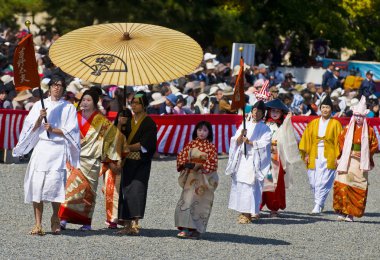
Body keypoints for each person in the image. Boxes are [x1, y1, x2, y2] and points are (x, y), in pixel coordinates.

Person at [12, 74, 80, 235]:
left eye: (60, 85)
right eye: (54, 85)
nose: (57, 87)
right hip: (42, 148)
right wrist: (39, 119)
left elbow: (72, 131)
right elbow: (30, 128)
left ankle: (55, 218)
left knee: (55, 185)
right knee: (37, 185)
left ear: (63, 88)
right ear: (49, 88)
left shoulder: (68, 107)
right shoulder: (39, 105)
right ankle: (37, 223)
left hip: (57, 149)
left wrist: (53, 129)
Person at [59, 89, 125, 231]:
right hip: (73, 158)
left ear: (95, 103)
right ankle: (63, 218)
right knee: (68, 189)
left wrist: (113, 157)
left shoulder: (101, 121)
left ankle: (86, 221)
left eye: (88, 100)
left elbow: (114, 137)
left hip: (91, 160)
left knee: (88, 192)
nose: (85, 103)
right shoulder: (73, 117)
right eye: (83, 100)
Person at [118, 91, 157, 235]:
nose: (133, 106)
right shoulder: (128, 121)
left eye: (136, 103)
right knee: (126, 191)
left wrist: (128, 147)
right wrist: (119, 124)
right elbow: (119, 137)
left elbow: (147, 143)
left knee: (137, 190)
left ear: (144, 105)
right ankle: (126, 224)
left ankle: (135, 223)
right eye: (132, 103)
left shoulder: (149, 123)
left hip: (140, 162)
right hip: (128, 162)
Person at [334, 96, 378, 222]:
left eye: (361, 116)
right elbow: (340, 140)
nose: (358, 118)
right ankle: (342, 211)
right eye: (357, 116)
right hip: (347, 160)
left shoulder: (369, 131)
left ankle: (351, 213)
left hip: (360, 162)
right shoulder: (347, 129)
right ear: (354, 116)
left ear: (364, 117)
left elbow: (374, 145)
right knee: (342, 184)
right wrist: (346, 152)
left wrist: (366, 153)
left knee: (356, 185)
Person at [226, 100, 272, 223]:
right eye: (255, 110)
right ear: (251, 111)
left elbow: (265, 143)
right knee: (241, 184)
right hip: (242, 158)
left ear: (263, 114)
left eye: (260, 112)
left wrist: (250, 142)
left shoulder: (265, 128)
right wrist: (241, 135)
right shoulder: (244, 124)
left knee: (250, 185)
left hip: (254, 159)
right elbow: (235, 141)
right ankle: (244, 211)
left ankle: (249, 212)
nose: (256, 113)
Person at [299, 95, 343, 214]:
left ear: (331, 109)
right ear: (319, 108)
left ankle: (317, 205)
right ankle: (320, 202)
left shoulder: (336, 124)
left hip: (329, 155)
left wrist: (338, 157)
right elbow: (306, 139)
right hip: (314, 153)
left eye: (327, 107)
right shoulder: (313, 123)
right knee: (313, 182)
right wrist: (307, 154)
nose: (325, 109)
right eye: (323, 107)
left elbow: (340, 142)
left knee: (323, 181)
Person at [175, 121, 218, 239]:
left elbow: (212, 163)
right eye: (199, 130)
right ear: (195, 131)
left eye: (205, 130)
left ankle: (196, 230)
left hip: (203, 179)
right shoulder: (191, 144)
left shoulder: (211, 147)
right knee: (186, 201)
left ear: (209, 133)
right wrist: (185, 163)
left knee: (200, 203)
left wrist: (200, 166)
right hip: (191, 177)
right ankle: (184, 228)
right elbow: (181, 156)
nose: (201, 133)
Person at [261, 99, 301, 217]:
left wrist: (287, 122)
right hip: (263, 157)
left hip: (277, 158)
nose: (274, 113)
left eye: (277, 111)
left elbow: (294, 139)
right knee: (261, 181)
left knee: (275, 184)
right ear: (268, 112)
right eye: (272, 110)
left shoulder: (283, 126)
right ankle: (257, 205)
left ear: (281, 113)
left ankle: (274, 208)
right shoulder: (263, 124)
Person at [101, 109, 132, 229]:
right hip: (110, 165)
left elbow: (125, 152)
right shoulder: (110, 131)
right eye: (121, 116)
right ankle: (111, 218)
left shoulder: (125, 135)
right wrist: (109, 163)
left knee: (119, 193)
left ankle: (118, 218)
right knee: (110, 192)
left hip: (121, 165)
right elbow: (103, 149)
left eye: (126, 117)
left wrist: (120, 164)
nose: (123, 118)